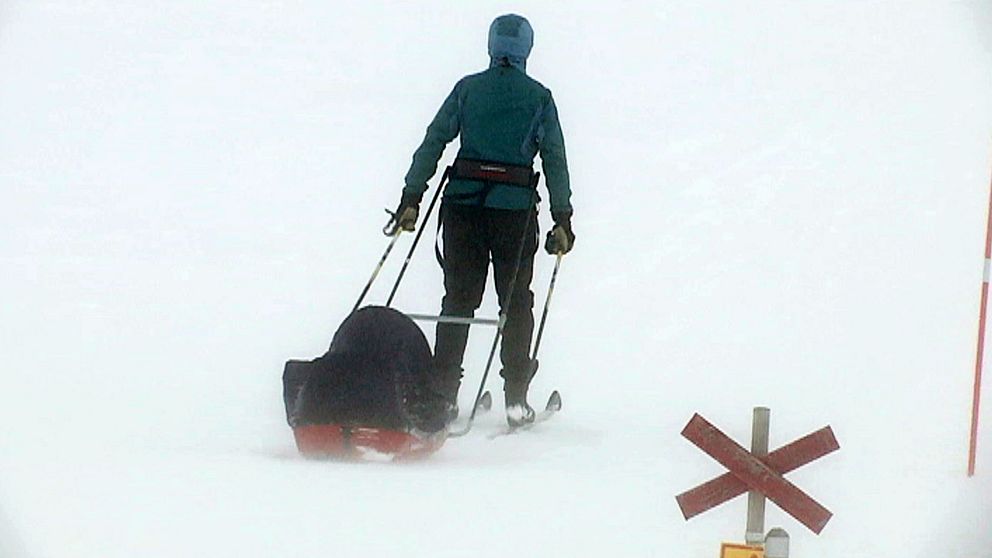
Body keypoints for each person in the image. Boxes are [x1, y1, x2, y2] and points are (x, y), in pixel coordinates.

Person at [391, 14, 574, 427]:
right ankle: (516, 399)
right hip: (514, 212)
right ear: (527, 48)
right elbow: (555, 159)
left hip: (462, 208)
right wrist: (562, 217)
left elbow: (434, 139)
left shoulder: (467, 89)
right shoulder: (539, 98)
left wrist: (411, 196)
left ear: (491, 46)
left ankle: (444, 396)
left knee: (458, 300)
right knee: (515, 301)